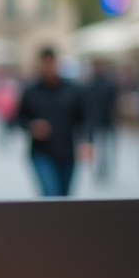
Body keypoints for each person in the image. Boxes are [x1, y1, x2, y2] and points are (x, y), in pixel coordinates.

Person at [16, 47, 92, 197]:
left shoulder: (72, 90)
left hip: (67, 152)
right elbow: (19, 118)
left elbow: (84, 118)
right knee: (50, 193)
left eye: (51, 62)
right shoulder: (31, 91)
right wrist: (32, 126)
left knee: (64, 196)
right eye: (45, 63)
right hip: (41, 153)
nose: (48, 67)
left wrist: (86, 141)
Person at [83, 58, 119, 181]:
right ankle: (97, 167)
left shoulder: (108, 84)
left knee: (104, 145)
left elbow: (114, 102)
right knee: (96, 145)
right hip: (95, 119)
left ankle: (103, 167)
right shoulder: (90, 84)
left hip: (105, 119)